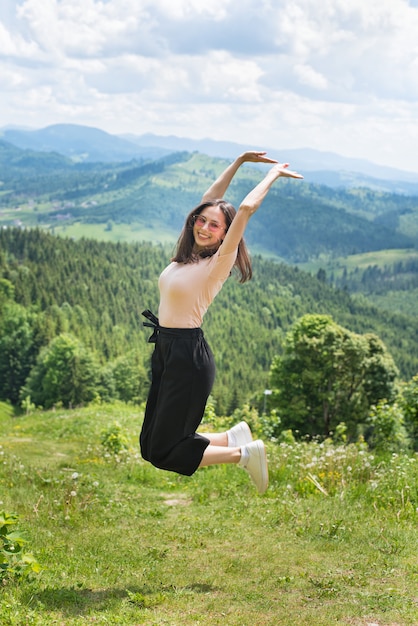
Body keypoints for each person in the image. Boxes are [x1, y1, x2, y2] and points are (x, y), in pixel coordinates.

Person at [140, 151, 303, 494]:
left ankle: (243, 454)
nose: (204, 227)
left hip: (188, 357)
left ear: (225, 235)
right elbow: (209, 200)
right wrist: (240, 161)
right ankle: (233, 437)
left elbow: (243, 210)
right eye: (201, 221)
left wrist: (273, 175)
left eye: (214, 225)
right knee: (150, 445)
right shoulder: (188, 256)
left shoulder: (217, 263)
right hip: (167, 350)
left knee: (165, 450)